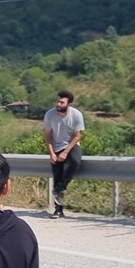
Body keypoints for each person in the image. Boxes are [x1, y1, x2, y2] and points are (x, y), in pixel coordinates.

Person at [43, 90, 84, 218]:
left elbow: (78, 136)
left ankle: (60, 188)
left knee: (76, 161)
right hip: (56, 146)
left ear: (68, 103)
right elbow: (47, 135)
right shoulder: (50, 115)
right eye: (58, 101)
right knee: (57, 175)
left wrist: (66, 152)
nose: (58, 104)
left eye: (62, 102)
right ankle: (58, 210)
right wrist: (52, 153)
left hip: (71, 145)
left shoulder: (76, 115)